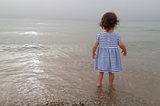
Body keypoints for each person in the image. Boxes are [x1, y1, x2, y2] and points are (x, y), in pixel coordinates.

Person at [92, 12, 127, 87]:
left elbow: (94, 46)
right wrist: (125, 50)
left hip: (102, 57)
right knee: (111, 72)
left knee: (100, 71)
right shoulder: (116, 35)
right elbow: (121, 44)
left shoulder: (99, 35)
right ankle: (110, 85)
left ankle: (98, 84)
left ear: (102, 23)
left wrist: (93, 53)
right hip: (112, 58)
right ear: (115, 23)